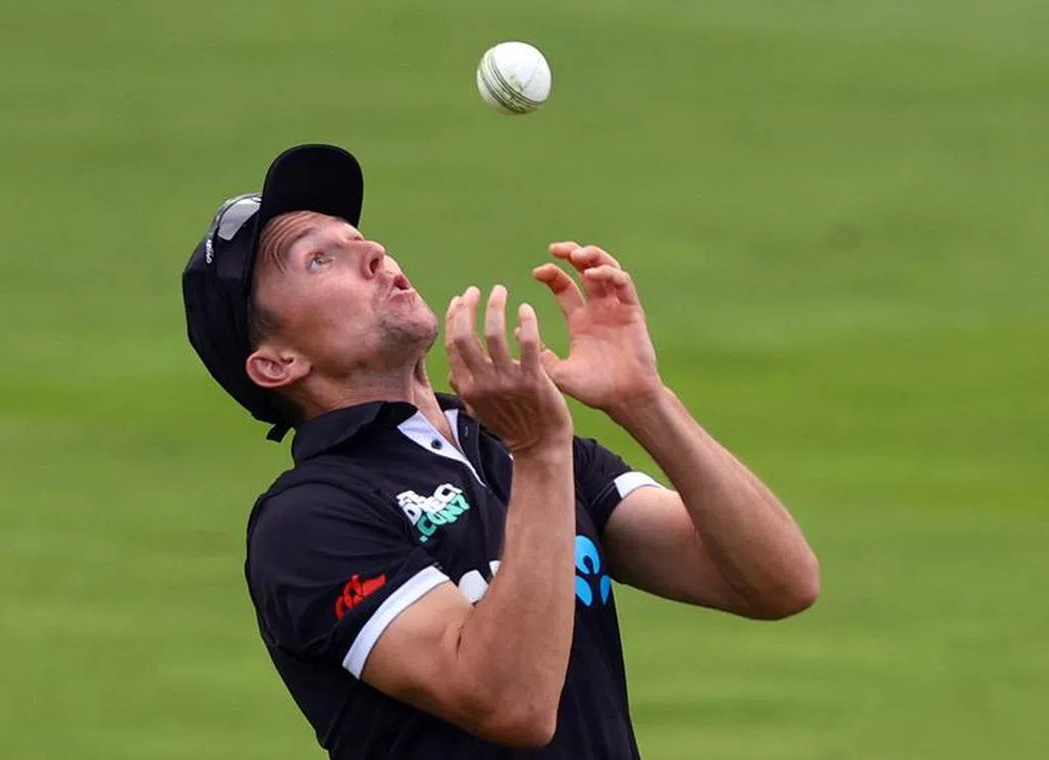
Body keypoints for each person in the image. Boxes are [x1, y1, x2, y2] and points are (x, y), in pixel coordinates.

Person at [181, 144, 820, 759]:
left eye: (357, 238)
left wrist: (643, 400)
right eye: (318, 260)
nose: (372, 253)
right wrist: (539, 451)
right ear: (277, 363)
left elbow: (777, 582)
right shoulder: (309, 520)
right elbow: (512, 704)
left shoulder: (500, 442)